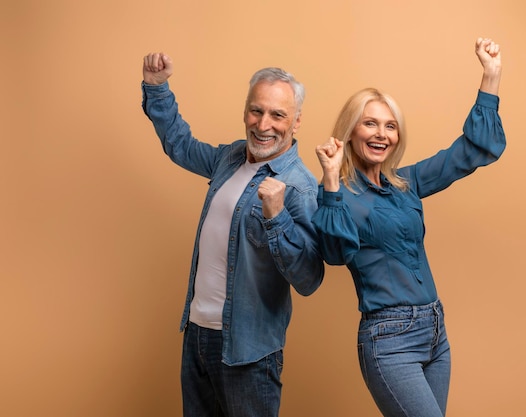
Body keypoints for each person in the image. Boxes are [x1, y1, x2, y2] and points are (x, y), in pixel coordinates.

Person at [312, 37, 506, 417]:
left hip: (435, 331)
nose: (381, 134)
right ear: (350, 131)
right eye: (370, 123)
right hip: (390, 341)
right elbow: (334, 255)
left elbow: (472, 152)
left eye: (390, 126)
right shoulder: (339, 195)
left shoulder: (406, 183)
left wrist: (491, 75)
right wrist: (331, 181)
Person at [141, 53, 324, 417]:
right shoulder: (230, 159)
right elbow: (181, 145)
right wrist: (157, 88)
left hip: (248, 350)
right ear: (245, 112)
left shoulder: (300, 188)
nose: (264, 124)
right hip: (197, 333)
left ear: (297, 122)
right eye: (256, 111)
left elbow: (309, 278)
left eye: (278, 115)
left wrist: (276, 219)